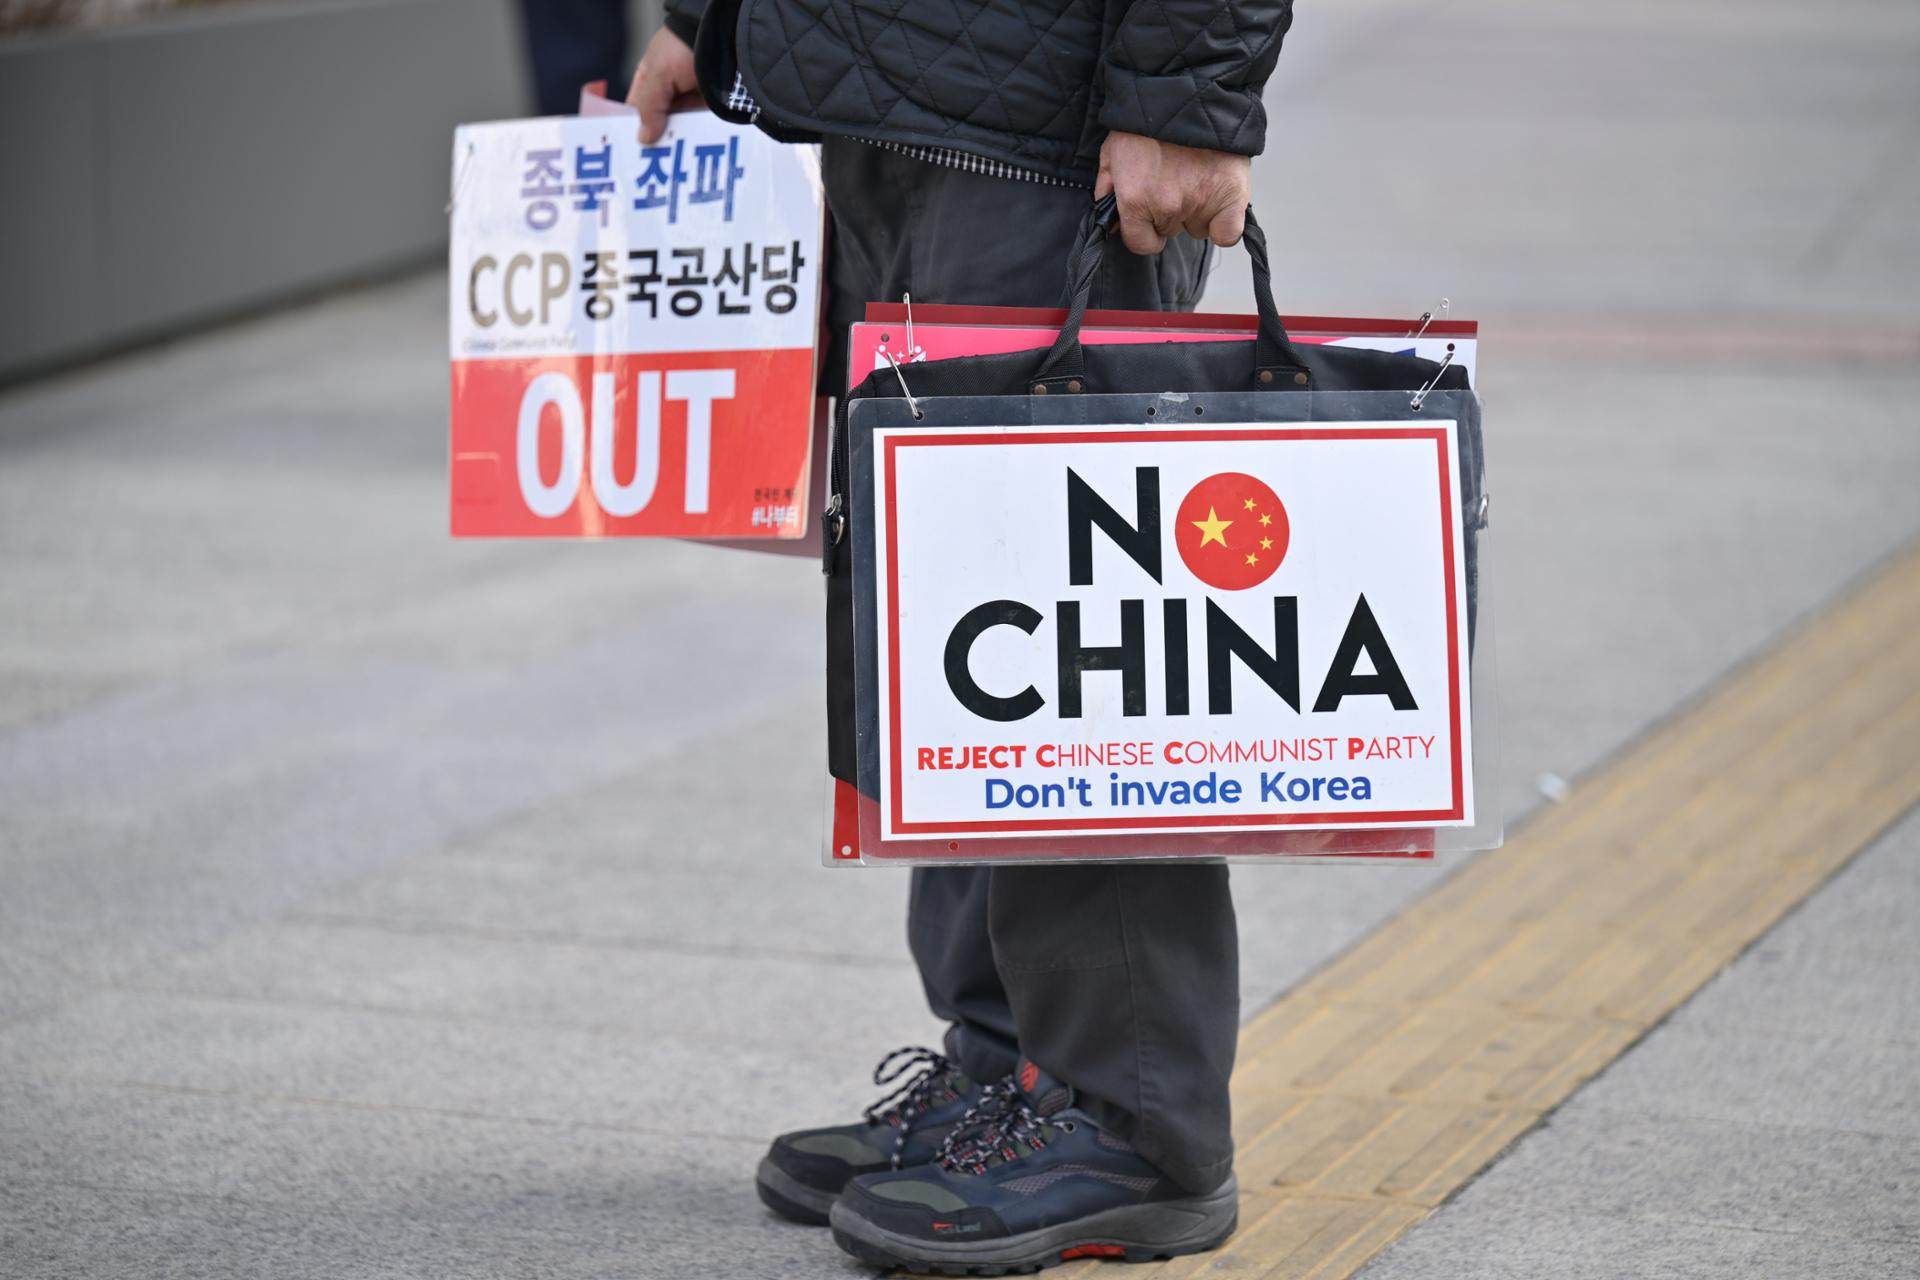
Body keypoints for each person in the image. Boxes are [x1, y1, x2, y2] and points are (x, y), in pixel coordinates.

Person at [626, 0, 1293, 1268]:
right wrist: (715, 25)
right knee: (955, 613)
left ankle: (1130, 1115)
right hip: (888, 102)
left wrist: (1185, 102)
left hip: (1055, 128)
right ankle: (1009, 1067)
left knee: (1064, 626)